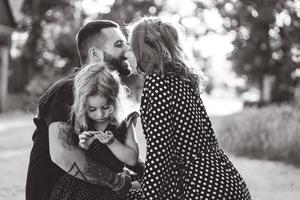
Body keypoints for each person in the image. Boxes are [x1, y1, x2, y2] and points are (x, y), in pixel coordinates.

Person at [126, 17, 252, 200]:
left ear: (144, 50)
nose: (127, 54)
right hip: (227, 182)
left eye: (130, 48)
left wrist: (148, 196)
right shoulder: (183, 80)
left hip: (200, 189)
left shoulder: (156, 83)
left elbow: (159, 153)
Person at [25, 20, 144, 200]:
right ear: (95, 53)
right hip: (58, 193)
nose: (127, 50)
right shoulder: (69, 89)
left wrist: (152, 173)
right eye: (119, 44)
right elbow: (63, 154)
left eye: (126, 44)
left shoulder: (111, 95)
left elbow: (119, 152)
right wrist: (120, 183)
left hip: (96, 190)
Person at [49, 63, 139, 200]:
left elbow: (132, 159)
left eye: (106, 107)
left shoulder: (124, 124)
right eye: (92, 109)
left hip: (110, 190)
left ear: (116, 100)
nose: (100, 114)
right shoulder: (82, 123)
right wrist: (83, 147)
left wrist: (112, 142)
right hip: (79, 188)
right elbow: (77, 162)